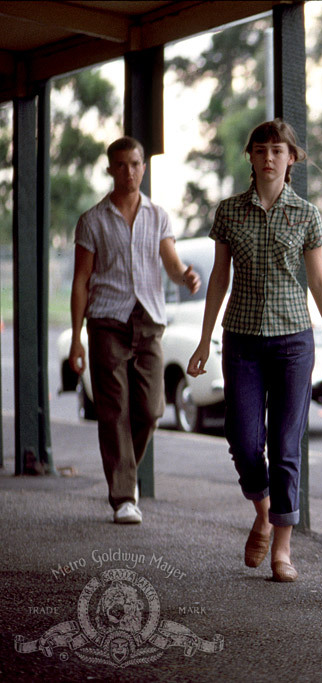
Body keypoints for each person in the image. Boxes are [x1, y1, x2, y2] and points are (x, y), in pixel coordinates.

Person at [187, 119, 322, 583]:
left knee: (285, 445)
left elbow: (318, 281)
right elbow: (219, 277)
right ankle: (262, 511)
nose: (270, 157)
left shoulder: (306, 214)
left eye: (278, 150)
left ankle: (282, 548)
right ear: (251, 158)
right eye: (261, 150)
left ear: (291, 158)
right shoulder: (230, 212)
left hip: (294, 341)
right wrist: (203, 339)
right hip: (241, 339)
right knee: (241, 439)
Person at [69, 136, 201, 525]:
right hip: (107, 320)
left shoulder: (158, 216)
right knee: (113, 411)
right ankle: (124, 495)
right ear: (110, 169)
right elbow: (80, 281)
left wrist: (186, 276)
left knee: (149, 408)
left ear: (144, 167)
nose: (130, 172)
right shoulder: (92, 221)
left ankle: (125, 473)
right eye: (122, 165)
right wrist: (77, 337)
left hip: (148, 320)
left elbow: (172, 263)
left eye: (136, 164)